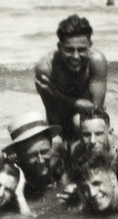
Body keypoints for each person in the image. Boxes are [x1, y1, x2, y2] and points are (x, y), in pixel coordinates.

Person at [34, 14, 108, 144]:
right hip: (59, 122)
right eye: (69, 50)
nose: (75, 56)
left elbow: (95, 112)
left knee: (79, 122)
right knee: (56, 142)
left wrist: (58, 94)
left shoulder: (96, 61)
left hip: (88, 124)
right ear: (59, 47)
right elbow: (53, 116)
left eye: (81, 50)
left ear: (90, 45)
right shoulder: (46, 68)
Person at [64, 108, 118, 203]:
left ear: (110, 132)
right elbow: (70, 180)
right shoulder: (76, 150)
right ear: (80, 135)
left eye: (99, 134)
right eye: (86, 134)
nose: (92, 141)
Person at [2, 111, 67, 198]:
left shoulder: (58, 151)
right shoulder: (11, 171)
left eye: (44, 152)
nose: (41, 161)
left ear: (51, 144)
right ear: (19, 154)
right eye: (32, 155)